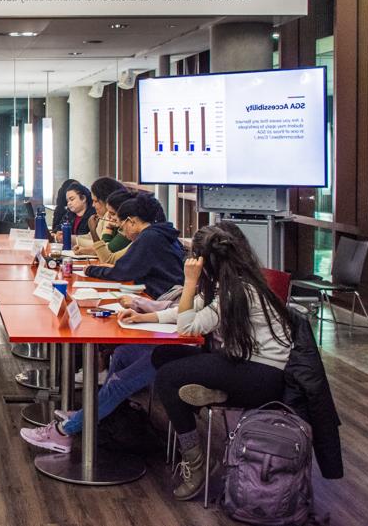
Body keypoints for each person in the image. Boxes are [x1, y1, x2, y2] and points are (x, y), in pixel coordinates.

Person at [152, 225, 293, 501]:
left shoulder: (238, 291)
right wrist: (146, 317)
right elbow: (190, 309)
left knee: (167, 377)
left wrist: (189, 281)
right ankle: (206, 394)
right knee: (163, 355)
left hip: (261, 376)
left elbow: (187, 325)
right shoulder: (230, 282)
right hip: (242, 363)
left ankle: (196, 463)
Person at [84, 193, 184, 299]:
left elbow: (122, 272)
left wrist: (90, 270)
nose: (124, 234)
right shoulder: (158, 232)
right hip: (167, 293)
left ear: (131, 221)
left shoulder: (149, 237)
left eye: (122, 227)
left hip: (164, 298)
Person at [73, 177, 127, 252]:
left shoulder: (123, 225)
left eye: (95, 201)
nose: (93, 205)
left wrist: (93, 230)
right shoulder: (106, 216)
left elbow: (104, 250)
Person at [85, 189, 135, 264]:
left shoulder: (133, 233)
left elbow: (106, 256)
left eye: (112, 213)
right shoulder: (117, 226)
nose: (109, 217)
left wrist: (93, 231)